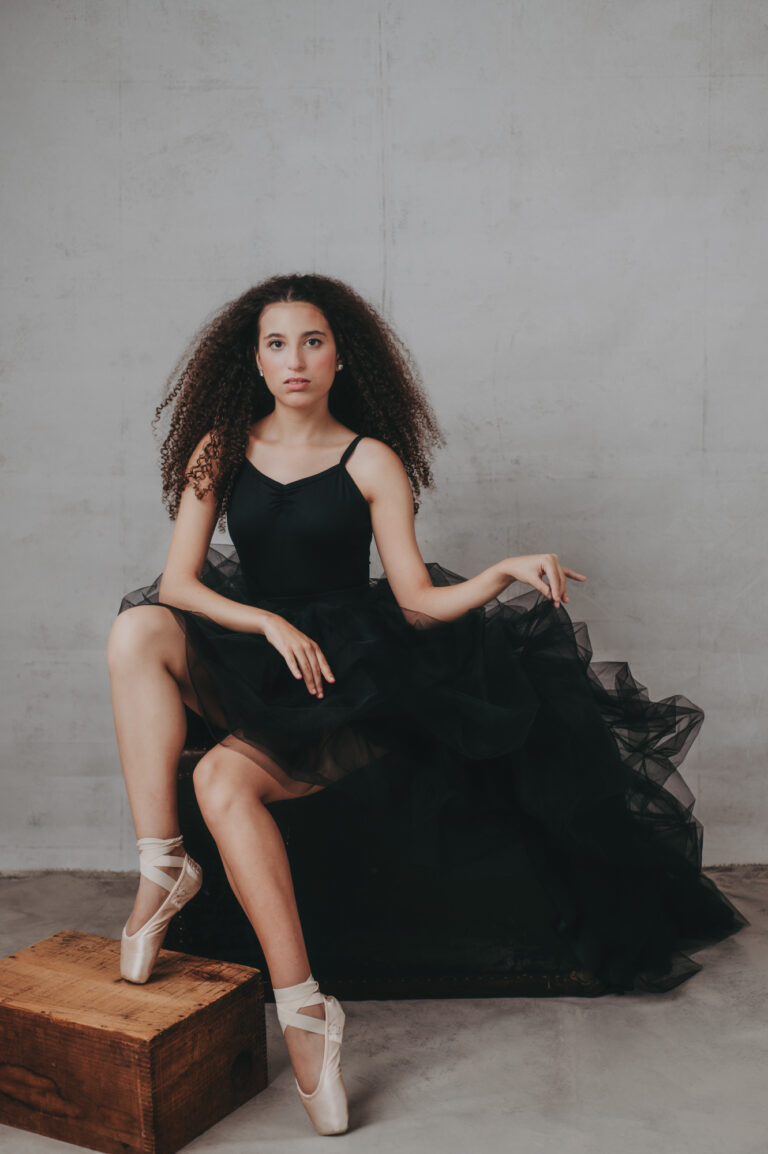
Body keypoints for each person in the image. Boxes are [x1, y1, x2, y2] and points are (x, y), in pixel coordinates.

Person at [108, 272, 748, 1137]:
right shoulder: (219, 449)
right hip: (256, 654)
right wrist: (263, 621)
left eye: (312, 341)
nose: (293, 359)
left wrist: (495, 575)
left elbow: (412, 598)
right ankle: (162, 863)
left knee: (224, 779)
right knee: (137, 631)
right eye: (275, 343)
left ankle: (305, 1012)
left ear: (341, 357)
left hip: (351, 674)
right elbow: (182, 582)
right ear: (252, 361)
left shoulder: (370, 459)